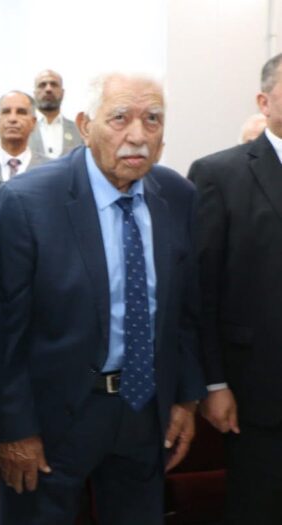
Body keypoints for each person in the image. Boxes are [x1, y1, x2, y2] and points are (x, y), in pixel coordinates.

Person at [0, 73, 205, 524]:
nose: (138, 135)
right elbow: (1, 329)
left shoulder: (178, 196)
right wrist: (14, 428)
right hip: (53, 418)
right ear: (86, 125)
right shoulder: (27, 201)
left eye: (152, 119)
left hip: (144, 411)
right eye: (120, 118)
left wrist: (185, 399)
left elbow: (184, 312)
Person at [190, 52, 282, 525]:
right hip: (257, 390)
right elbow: (201, 289)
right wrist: (214, 382)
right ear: (264, 102)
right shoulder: (219, 173)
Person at [0, 91, 49, 181]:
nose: (12, 119)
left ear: (33, 123)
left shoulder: (49, 169)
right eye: (6, 112)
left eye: (21, 112)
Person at [29, 69, 82, 158]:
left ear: (62, 93)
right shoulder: (24, 130)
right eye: (42, 85)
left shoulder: (79, 131)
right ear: (34, 93)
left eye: (53, 84)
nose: (48, 89)